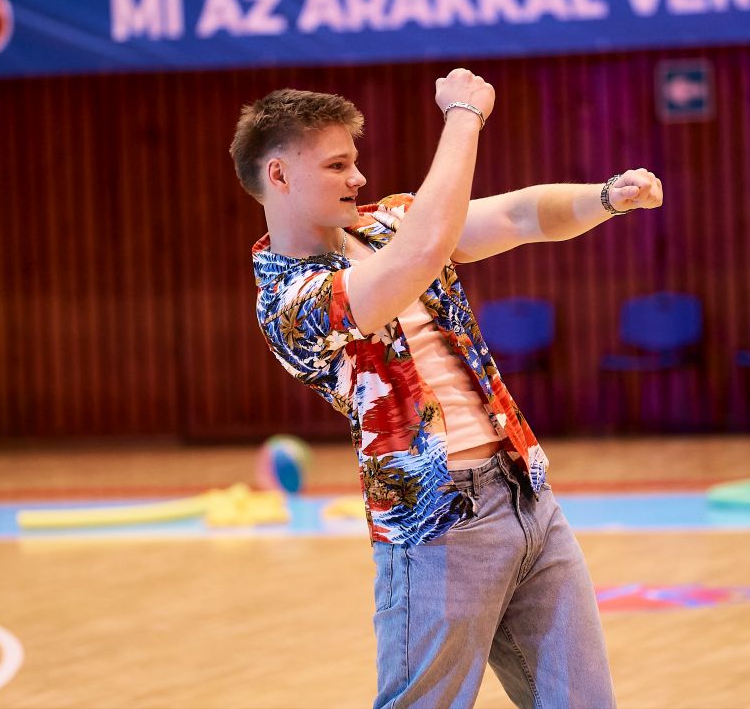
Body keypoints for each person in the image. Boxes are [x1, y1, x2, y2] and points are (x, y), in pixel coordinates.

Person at [233, 68, 662, 709]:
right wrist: (464, 117)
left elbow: (518, 214)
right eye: (337, 165)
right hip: (435, 527)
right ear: (280, 176)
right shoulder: (288, 301)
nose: (358, 178)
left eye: (355, 162)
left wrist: (605, 197)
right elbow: (419, 256)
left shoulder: (389, 223)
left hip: (524, 493)